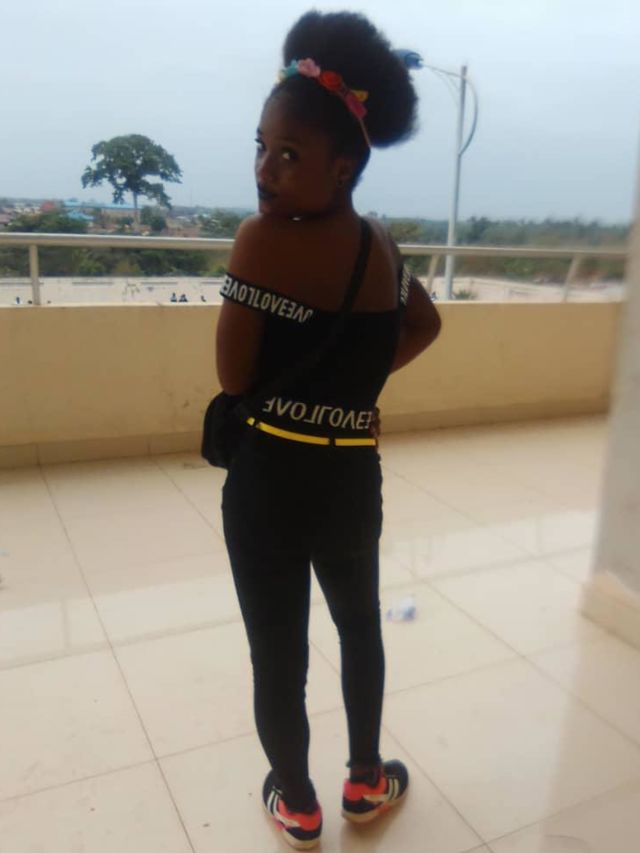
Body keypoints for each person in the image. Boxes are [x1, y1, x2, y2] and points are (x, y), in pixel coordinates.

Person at [216, 11, 441, 850]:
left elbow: (233, 378)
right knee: (359, 627)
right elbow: (423, 325)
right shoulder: (381, 245)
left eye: (288, 154)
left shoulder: (258, 243)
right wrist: (352, 391)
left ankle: (299, 801)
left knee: (278, 651)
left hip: (270, 482)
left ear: (343, 164)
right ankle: (366, 780)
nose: (264, 170)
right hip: (350, 477)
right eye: (261, 147)